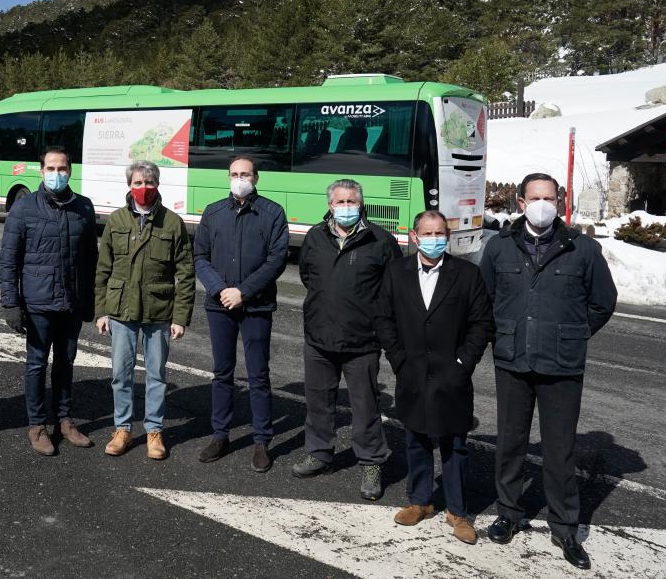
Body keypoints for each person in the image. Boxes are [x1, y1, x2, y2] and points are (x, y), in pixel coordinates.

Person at [481, 173, 617, 570]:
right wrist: (501, 336)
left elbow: (602, 303)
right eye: (535, 197)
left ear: (559, 201)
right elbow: (485, 299)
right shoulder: (499, 248)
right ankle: (508, 511)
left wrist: (571, 335)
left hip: (562, 366)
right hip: (512, 360)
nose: (543, 203)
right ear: (520, 203)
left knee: (560, 449)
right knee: (510, 440)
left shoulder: (583, 248)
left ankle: (564, 526)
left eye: (550, 197)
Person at [375, 210, 494, 545]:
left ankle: (458, 511)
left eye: (440, 233)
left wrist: (463, 362)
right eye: (426, 233)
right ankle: (420, 501)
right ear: (414, 237)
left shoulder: (467, 274)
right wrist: (398, 359)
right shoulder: (397, 272)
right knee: (416, 438)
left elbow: (481, 323)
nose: (433, 239)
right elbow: (383, 318)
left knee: (454, 444)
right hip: (411, 371)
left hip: (451, 375)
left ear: (448, 236)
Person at [294, 178, 401, 500]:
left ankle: (371, 461)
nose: (346, 207)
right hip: (319, 337)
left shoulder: (380, 240)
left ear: (361, 203)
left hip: (362, 342)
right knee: (318, 402)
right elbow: (307, 277)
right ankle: (319, 453)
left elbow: (394, 288)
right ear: (329, 205)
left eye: (351, 201)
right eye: (339, 202)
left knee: (365, 406)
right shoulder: (314, 237)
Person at [0, 146, 99, 456]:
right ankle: (37, 424)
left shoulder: (83, 206)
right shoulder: (24, 207)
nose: (57, 174)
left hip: (71, 301)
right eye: (51, 168)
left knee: (66, 362)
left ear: (70, 170)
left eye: (63, 168)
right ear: (41, 171)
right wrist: (11, 304)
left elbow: (90, 258)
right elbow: (8, 259)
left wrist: (90, 300)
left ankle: (64, 420)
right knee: (36, 364)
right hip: (38, 302)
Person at [94, 160, 195, 460]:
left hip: (159, 310)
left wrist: (180, 316)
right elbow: (103, 270)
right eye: (138, 183)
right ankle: (122, 428)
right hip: (121, 310)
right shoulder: (116, 221)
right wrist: (102, 311)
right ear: (129, 186)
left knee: (157, 375)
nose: (143, 188)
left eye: (149, 182)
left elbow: (186, 272)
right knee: (120, 374)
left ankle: (154, 431)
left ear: (158, 185)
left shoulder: (172, 222)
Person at [192, 156, 288, 472]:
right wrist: (221, 289)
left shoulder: (273, 213)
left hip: (256, 306)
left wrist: (242, 292)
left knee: (259, 375)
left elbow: (276, 261)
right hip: (219, 305)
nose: (239, 178)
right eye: (234, 174)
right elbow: (200, 257)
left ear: (256, 178)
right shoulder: (213, 212)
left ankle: (262, 441)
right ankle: (220, 434)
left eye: (245, 173)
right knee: (222, 372)